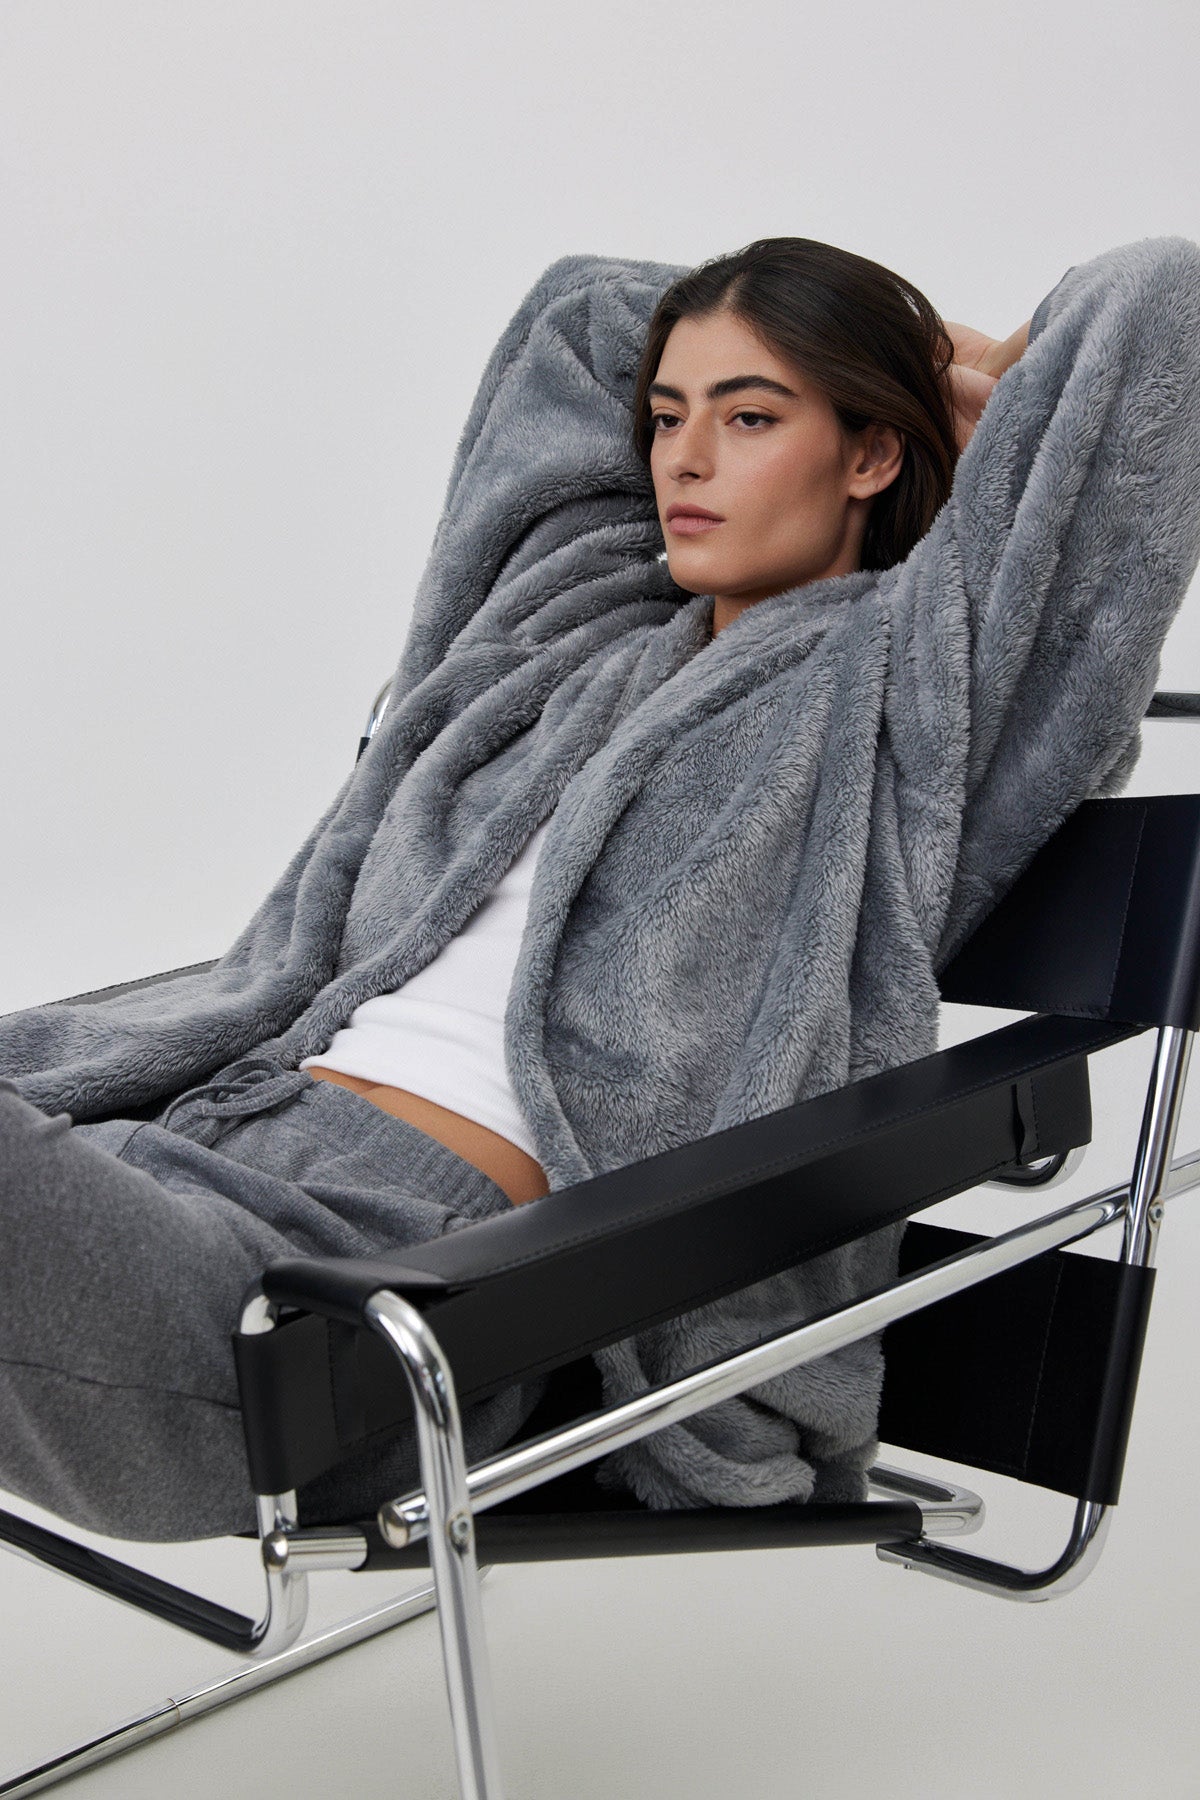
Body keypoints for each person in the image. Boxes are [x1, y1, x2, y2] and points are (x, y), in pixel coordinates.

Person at [2, 234, 1197, 1539]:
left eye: (751, 417)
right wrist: (831, 354)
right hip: (184, 1140)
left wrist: (925, 367)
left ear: (872, 454)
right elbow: (578, 314)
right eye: (669, 416)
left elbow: (1164, 315)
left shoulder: (914, 694)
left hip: (372, 1293)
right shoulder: (571, 633)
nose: (684, 459)